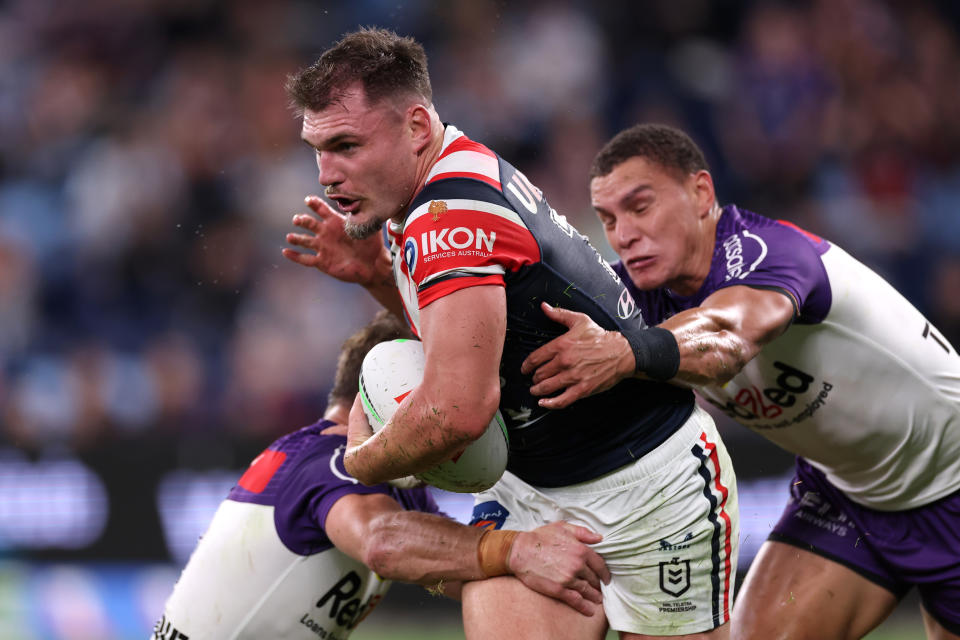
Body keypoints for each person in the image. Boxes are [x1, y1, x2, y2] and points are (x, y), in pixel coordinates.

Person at [282, 28, 738, 640]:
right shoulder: (436, 181)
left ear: (416, 127)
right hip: (530, 490)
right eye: (318, 149)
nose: (327, 175)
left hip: (650, 489)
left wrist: (362, 462)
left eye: (345, 145)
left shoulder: (449, 220)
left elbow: (455, 413)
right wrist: (378, 278)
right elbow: (472, 335)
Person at [521, 123, 960, 639]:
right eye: (608, 219)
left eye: (640, 208)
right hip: (849, 497)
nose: (624, 234)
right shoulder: (633, 295)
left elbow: (725, 336)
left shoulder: (766, 252)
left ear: (701, 192)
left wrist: (624, 353)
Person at [151, 310, 611, 640]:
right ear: (397, 393)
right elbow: (384, 542)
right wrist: (517, 549)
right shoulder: (330, 462)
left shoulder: (383, 484)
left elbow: (454, 567)